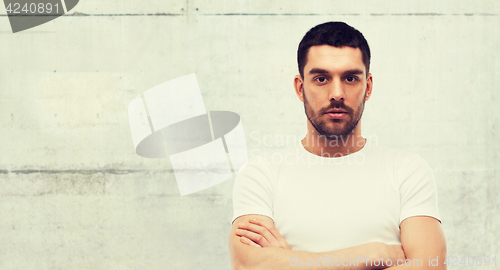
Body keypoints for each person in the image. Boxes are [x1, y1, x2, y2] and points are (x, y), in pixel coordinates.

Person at [228, 21, 446, 270]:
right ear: (300, 88)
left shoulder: (407, 170)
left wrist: (293, 263)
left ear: (368, 87)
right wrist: (375, 253)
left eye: (351, 78)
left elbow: (431, 266)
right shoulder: (261, 174)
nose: (337, 93)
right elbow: (248, 266)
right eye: (321, 78)